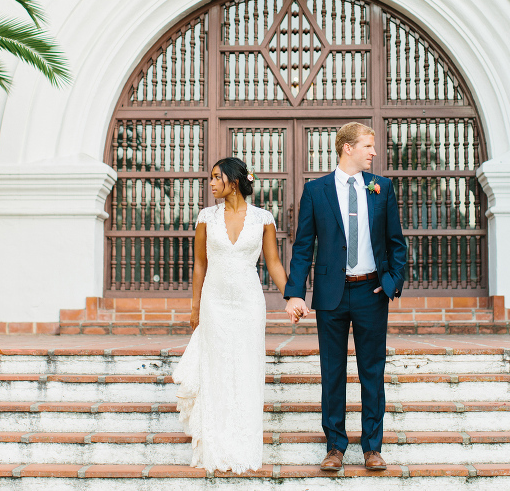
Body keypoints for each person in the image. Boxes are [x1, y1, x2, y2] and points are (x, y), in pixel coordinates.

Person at [283, 122, 407, 472]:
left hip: (371, 291)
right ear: (347, 148)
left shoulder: (382, 187)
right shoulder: (316, 190)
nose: (374, 152)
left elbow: (396, 241)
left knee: (373, 370)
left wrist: (393, 280)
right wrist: (295, 293)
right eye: (368, 145)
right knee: (332, 371)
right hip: (330, 293)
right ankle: (335, 446)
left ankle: (372, 448)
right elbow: (304, 245)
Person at [171, 157, 288, 473]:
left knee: (246, 370)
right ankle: (216, 446)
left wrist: (292, 296)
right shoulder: (206, 217)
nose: (210, 183)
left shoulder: (263, 218)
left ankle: (243, 445)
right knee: (217, 370)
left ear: (233, 182)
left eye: (215, 177)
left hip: (249, 303)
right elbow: (199, 265)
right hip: (215, 303)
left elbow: (274, 263)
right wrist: (195, 307)